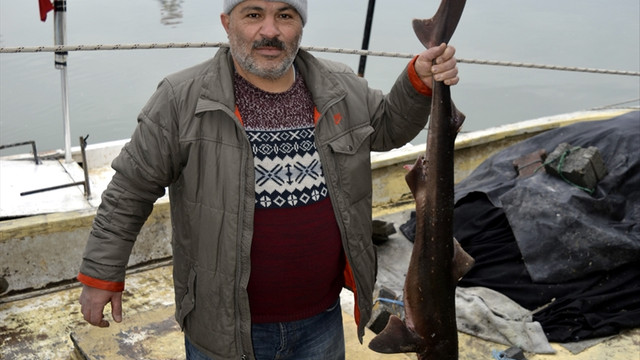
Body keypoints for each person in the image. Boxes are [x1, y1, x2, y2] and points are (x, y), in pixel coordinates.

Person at [77, 0, 460, 359]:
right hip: (225, 329)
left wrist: (418, 82)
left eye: (286, 16)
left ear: (301, 28)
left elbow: (389, 128)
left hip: (322, 320)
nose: (270, 31)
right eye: (253, 14)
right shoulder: (181, 99)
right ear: (227, 23)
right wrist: (101, 274)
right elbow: (131, 188)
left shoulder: (339, 87)